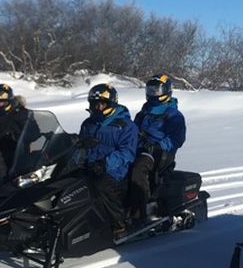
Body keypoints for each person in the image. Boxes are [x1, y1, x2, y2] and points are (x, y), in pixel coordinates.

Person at [77, 83, 139, 240]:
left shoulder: (125, 126)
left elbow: (127, 152)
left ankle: (119, 225)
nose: (97, 108)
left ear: (111, 103)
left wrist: (105, 164)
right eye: (94, 104)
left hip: (115, 170)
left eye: (101, 104)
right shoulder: (89, 123)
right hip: (90, 165)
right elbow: (79, 145)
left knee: (100, 186)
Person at [129, 73, 187, 223]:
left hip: (161, 153)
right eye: (150, 90)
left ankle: (146, 208)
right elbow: (132, 131)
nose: (153, 93)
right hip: (140, 149)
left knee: (138, 169)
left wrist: (158, 145)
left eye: (157, 90)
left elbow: (176, 139)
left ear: (167, 91)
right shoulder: (143, 113)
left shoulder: (173, 115)